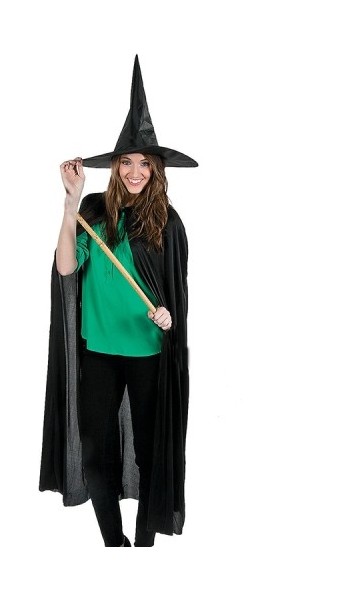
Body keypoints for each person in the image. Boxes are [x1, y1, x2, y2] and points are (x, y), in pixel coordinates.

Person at [39, 56, 198, 547]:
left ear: (156, 169)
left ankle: (144, 546)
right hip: (99, 353)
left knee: (150, 453)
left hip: (148, 354)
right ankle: (115, 543)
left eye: (143, 163)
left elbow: (176, 295)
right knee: (94, 452)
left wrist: (168, 315)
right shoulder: (93, 212)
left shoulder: (168, 222)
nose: (134, 171)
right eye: (126, 162)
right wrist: (70, 204)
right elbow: (67, 268)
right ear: (114, 167)